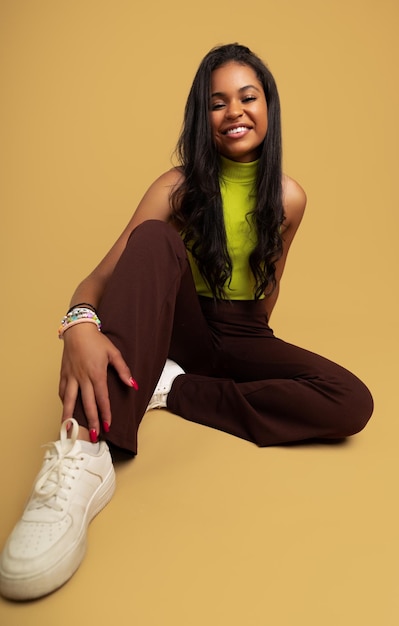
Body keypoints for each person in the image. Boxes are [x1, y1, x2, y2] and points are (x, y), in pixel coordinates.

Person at [0, 43, 373, 601]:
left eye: (247, 97)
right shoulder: (176, 186)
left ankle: (172, 388)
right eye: (217, 103)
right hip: (182, 322)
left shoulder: (289, 197)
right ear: (203, 117)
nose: (235, 112)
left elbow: (270, 285)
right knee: (153, 239)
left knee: (351, 401)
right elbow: (99, 279)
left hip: (244, 332)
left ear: (268, 106)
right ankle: (84, 450)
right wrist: (79, 323)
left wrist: (248, 352)